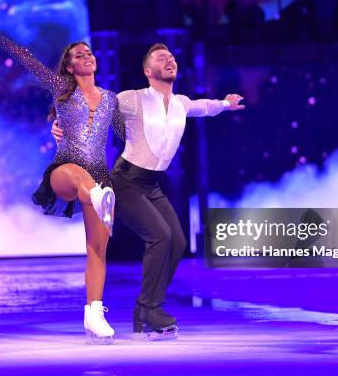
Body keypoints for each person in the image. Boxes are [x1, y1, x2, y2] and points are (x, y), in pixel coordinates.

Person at [52, 43, 244, 340]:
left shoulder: (181, 103)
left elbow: (204, 107)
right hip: (126, 181)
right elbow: (96, 105)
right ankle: (150, 309)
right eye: (161, 58)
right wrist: (60, 122)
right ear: (147, 71)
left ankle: (145, 311)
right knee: (160, 236)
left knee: (178, 242)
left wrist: (225, 103)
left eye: (171, 57)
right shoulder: (133, 99)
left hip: (152, 185)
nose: (169, 60)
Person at [0, 3, 125, 344]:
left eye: (89, 52)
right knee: (79, 175)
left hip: (100, 178)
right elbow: (27, 58)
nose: (87, 56)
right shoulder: (62, 88)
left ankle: (93, 314)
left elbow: (128, 136)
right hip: (64, 172)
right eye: (79, 54)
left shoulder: (110, 99)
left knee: (97, 249)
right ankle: (96, 195)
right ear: (69, 65)